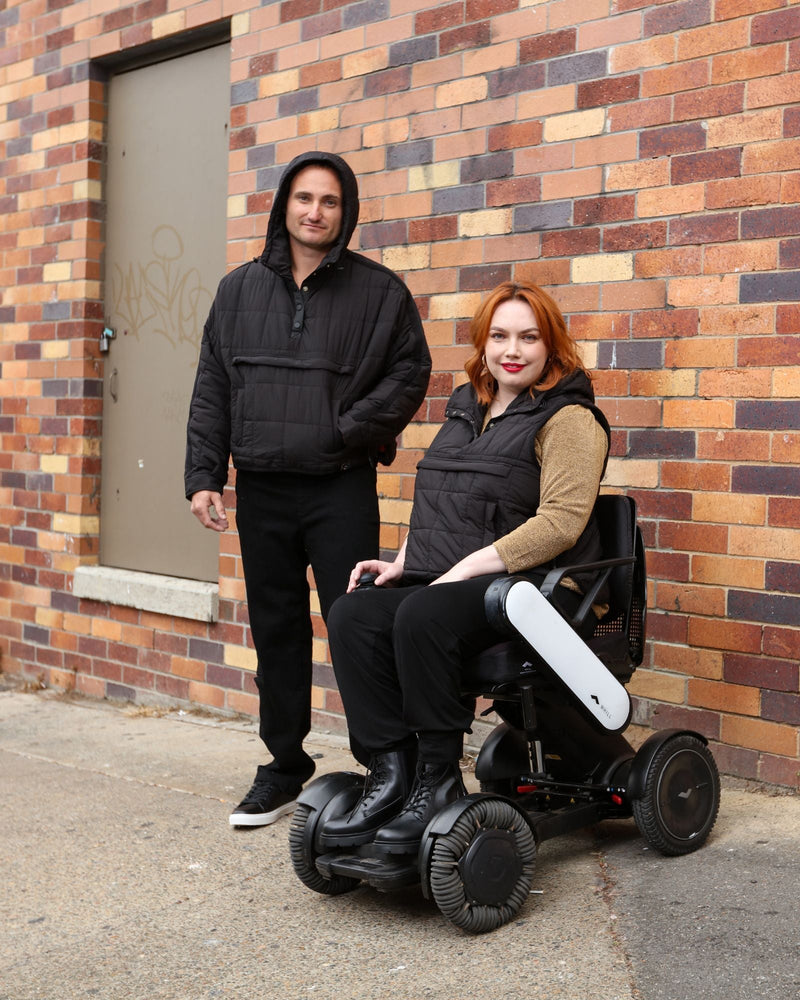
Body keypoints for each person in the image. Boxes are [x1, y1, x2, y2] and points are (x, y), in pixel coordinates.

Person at [320, 280, 611, 854]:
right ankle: (391, 771)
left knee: (423, 615)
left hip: (531, 591)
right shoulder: (465, 406)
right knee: (354, 613)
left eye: (529, 337)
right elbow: (443, 501)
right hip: (459, 581)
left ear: (551, 346)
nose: (513, 350)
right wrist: (403, 562)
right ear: (481, 344)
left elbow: (561, 523)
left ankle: (438, 779)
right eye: (499, 336)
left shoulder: (570, 419)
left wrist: (465, 569)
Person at [185, 151, 431, 827]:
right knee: (277, 631)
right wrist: (205, 474)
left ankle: (385, 762)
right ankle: (285, 764)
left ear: (345, 213)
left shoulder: (381, 294)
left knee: (357, 622)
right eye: (303, 198)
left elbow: (410, 372)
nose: (315, 211)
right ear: (283, 206)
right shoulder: (237, 290)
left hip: (339, 488)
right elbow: (213, 384)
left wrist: (347, 429)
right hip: (262, 489)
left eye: (329, 201)